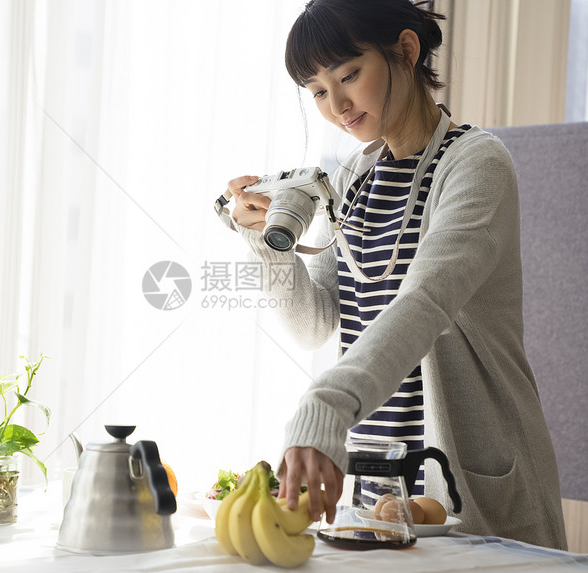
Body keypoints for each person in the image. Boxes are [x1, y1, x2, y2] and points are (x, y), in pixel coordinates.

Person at [225, 0, 567, 550]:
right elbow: (315, 323)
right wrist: (267, 245)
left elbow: (426, 302)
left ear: (406, 51)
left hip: (464, 492)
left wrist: (324, 405)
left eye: (349, 75)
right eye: (316, 90)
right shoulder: (358, 178)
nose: (336, 104)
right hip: (379, 494)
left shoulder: (474, 165)